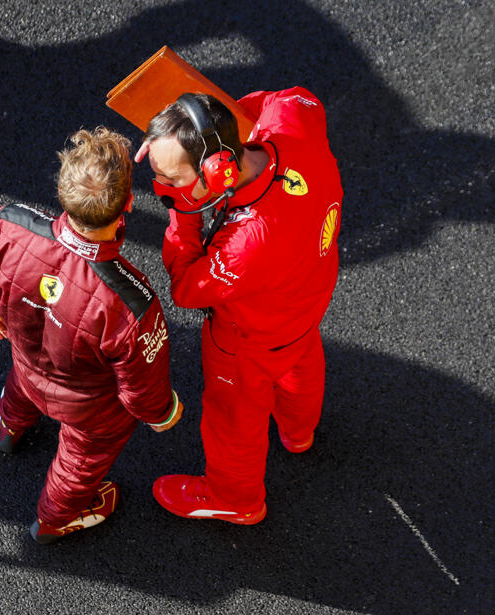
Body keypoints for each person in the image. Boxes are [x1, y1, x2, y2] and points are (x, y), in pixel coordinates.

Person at [135, 88, 342, 525]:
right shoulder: (293, 124)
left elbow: (188, 289)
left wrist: (182, 209)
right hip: (307, 301)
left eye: (171, 179)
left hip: (249, 339)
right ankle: (298, 434)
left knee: (232, 418)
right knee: (301, 363)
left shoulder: (245, 246)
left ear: (220, 170)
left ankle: (235, 498)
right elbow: (290, 98)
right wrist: (189, 133)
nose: (161, 188)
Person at [0, 127, 183, 543]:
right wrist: (164, 413)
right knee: (80, 461)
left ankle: (9, 431)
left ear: (63, 191)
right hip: (90, 409)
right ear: (128, 205)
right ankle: (54, 519)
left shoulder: (8, 225)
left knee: (21, 387)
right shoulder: (132, 303)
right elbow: (142, 390)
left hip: (26, 365)